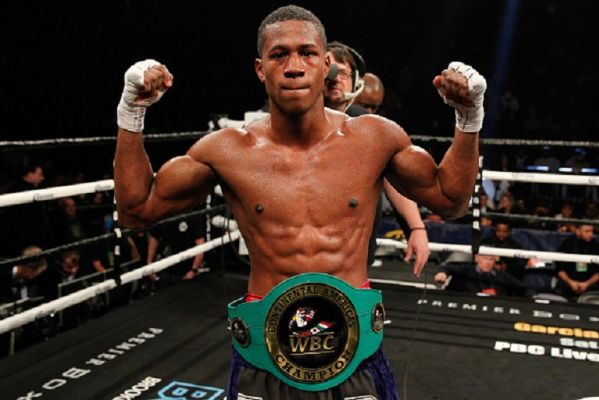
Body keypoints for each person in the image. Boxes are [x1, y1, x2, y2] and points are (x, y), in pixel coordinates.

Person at [113, 5, 486, 399]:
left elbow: (450, 201)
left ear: (326, 64)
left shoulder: (374, 138)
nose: (294, 66)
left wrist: (468, 118)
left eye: (307, 53)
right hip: (263, 360)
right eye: (279, 55)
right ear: (261, 69)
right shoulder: (226, 151)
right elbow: (136, 211)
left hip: (354, 357)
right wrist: (131, 113)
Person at [323, 42, 429, 274]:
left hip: (354, 254)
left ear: (355, 81)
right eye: (329, 70)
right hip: (303, 250)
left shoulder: (369, 126)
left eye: (343, 73)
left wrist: (416, 228)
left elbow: (393, 177)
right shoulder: (294, 121)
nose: (335, 78)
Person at [434, 253, 526, 297]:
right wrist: (442, 273)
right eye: (485, 258)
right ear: (477, 258)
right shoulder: (466, 269)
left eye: (491, 260)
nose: (488, 262)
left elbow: (521, 288)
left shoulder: (501, 275)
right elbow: (447, 268)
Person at [554, 224, 599, 301]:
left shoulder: (596, 246)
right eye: (587, 231)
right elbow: (559, 268)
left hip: (590, 284)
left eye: (592, 231)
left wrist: (587, 284)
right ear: (578, 231)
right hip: (568, 283)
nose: (591, 234)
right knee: (559, 291)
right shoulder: (567, 244)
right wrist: (570, 282)